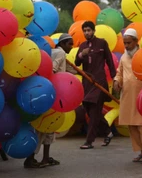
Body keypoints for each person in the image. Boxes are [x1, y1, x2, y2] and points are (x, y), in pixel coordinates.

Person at [24, 33, 74, 168]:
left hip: (43, 92)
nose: (72, 46)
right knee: (45, 126)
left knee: (47, 127)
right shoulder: (60, 53)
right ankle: (31, 158)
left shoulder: (54, 52)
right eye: (70, 43)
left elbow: (68, 70)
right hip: (52, 93)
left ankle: (45, 158)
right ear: (62, 44)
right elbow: (52, 69)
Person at [113, 28, 142, 164]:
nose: (126, 46)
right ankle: (141, 151)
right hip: (127, 96)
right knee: (132, 125)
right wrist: (116, 81)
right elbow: (119, 72)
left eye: (129, 43)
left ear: (136, 42)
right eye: (125, 43)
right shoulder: (124, 57)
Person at [75, 21, 116, 149]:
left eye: (89, 30)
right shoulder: (82, 46)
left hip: (99, 82)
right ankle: (108, 132)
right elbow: (76, 62)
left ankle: (89, 141)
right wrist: (82, 54)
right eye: (85, 31)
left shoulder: (102, 43)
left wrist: (115, 79)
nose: (87, 32)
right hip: (87, 83)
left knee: (94, 112)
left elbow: (109, 61)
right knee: (89, 109)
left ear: (93, 31)